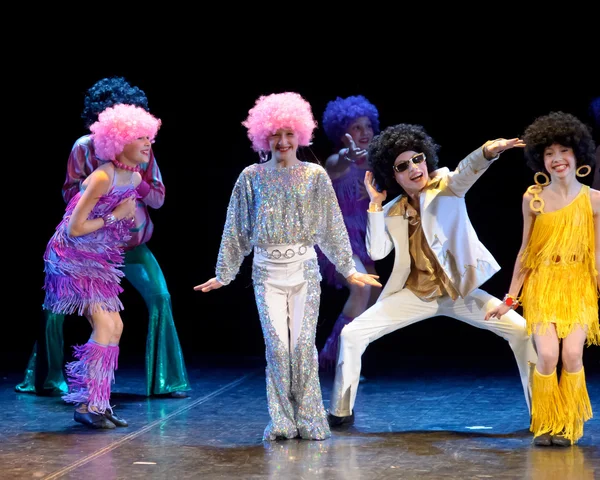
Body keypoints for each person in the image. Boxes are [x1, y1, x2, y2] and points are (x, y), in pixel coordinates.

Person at [194, 92, 382, 441]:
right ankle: (282, 419)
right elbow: (236, 228)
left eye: (289, 134)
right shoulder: (250, 177)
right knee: (278, 347)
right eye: (275, 135)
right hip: (266, 273)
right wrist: (224, 273)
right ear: (264, 136)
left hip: (304, 271)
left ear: (300, 135)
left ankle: (310, 418)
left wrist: (348, 267)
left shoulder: (314, 175)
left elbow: (331, 226)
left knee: (302, 347)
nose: (282, 141)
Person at [327, 123, 538, 427]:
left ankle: (541, 412)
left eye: (418, 159)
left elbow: (467, 170)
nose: (414, 167)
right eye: (403, 165)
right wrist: (374, 207)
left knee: (522, 330)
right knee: (351, 334)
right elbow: (377, 253)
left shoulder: (447, 187)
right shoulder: (392, 210)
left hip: (458, 293)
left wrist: (489, 151)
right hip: (415, 295)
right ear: (394, 175)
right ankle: (340, 413)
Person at [16, 76, 190, 398]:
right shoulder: (87, 152)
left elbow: (158, 198)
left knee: (157, 298)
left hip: (129, 246)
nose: (139, 137)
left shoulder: (142, 153)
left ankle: (159, 382)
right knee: (56, 306)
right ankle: (51, 380)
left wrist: (135, 184)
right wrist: (105, 202)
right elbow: (73, 204)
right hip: (85, 249)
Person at [44, 103, 161, 428]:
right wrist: (114, 216)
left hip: (98, 257)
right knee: (106, 326)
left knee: (117, 326)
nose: (147, 143)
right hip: (71, 257)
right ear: (118, 140)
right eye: (139, 137)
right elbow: (74, 228)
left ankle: (97, 403)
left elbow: (153, 201)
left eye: (148, 136)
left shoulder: (135, 176)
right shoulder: (101, 176)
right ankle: (87, 406)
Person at [486, 111, 599, 446]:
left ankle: (569, 425)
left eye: (563, 151)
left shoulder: (593, 201)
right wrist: (509, 299)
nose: (557, 159)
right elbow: (524, 252)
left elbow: (597, 255)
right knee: (548, 355)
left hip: (578, 285)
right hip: (544, 283)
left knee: (572, 356)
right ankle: (547, 423)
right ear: (540, 159)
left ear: (577, 153)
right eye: (549, 153)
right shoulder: (532, 198)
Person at [317, 95, 382, 370]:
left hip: (362, 240)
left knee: (374, 295)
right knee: (361, 286)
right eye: (356, 127)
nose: (364, 132)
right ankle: (340, 356)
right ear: (343, 133)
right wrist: (348, 156)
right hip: (336, 240)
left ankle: (350, 354)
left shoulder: (374, 164)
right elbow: (339, 164)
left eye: (367, 126)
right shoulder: (336, 160)